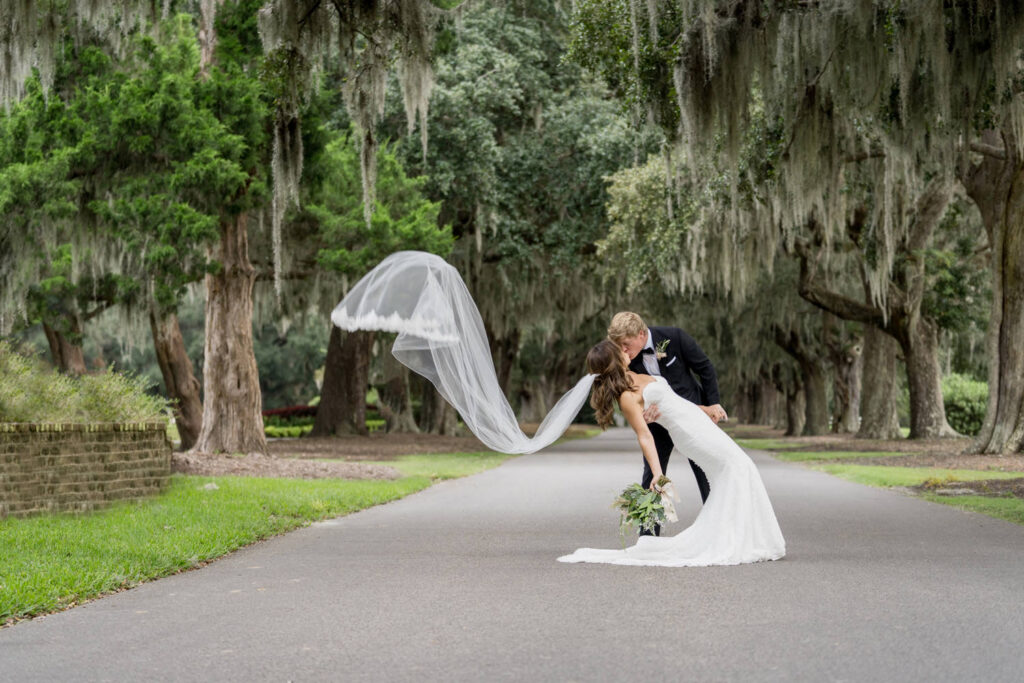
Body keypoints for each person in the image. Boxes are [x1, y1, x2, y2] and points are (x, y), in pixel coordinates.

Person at [557, 340, 785, 567]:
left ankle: (740, 536)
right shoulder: (627, 396)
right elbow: (644, 435)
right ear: (614, 360)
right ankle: (740, 539)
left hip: (696, 420)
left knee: (733, 471)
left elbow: (674, 402)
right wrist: (657, 473)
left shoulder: (636, 374)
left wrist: (705, 409)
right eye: (620, 351)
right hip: (689, 432)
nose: (626, 350)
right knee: (739, 466)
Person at [607, 312, 725, 535]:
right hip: (655, 423)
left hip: (691, 417)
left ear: (641, 334)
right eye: (618, 345)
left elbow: (705, 368)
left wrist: (713, 406)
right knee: (652, 473)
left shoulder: (674, 337)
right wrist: (644, 407)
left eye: (625, 344)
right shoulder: (626, 360)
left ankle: (718, 528)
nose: (622, 350)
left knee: (704, 470)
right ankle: (649, 535)